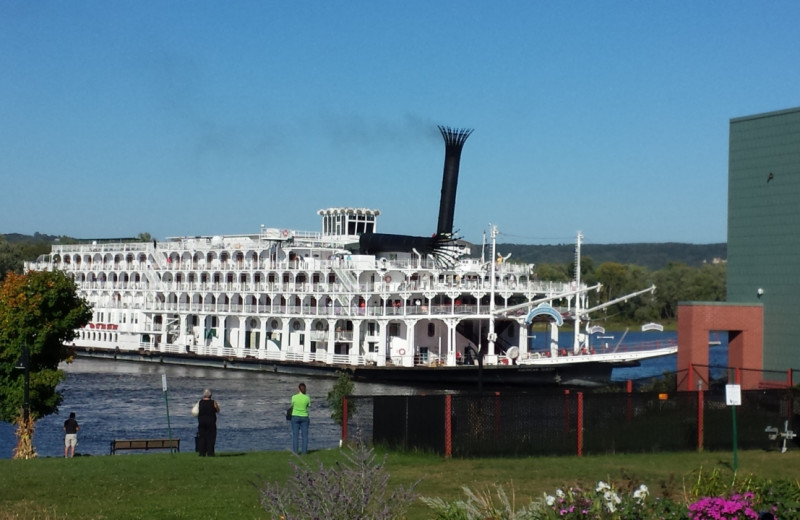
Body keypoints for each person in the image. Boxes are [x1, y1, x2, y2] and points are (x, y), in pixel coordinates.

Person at [196, 388, 220, 457]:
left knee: (202, 438)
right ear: (210, 395)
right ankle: (210, 453)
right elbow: (217, 410)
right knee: (211, 438)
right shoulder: (213, 402)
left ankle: (202, 453)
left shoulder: (200, 402)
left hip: (201, 422)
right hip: (211, 422)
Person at [290, 382, 310, 454]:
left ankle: (295, 452)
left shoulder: (294, 397)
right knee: (305, 436)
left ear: (298, 389)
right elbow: (308, 405)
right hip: (304, 417)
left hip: (295, 416)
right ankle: (304, 452)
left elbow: (292, 405)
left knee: (295, 436)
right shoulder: (307, 397)